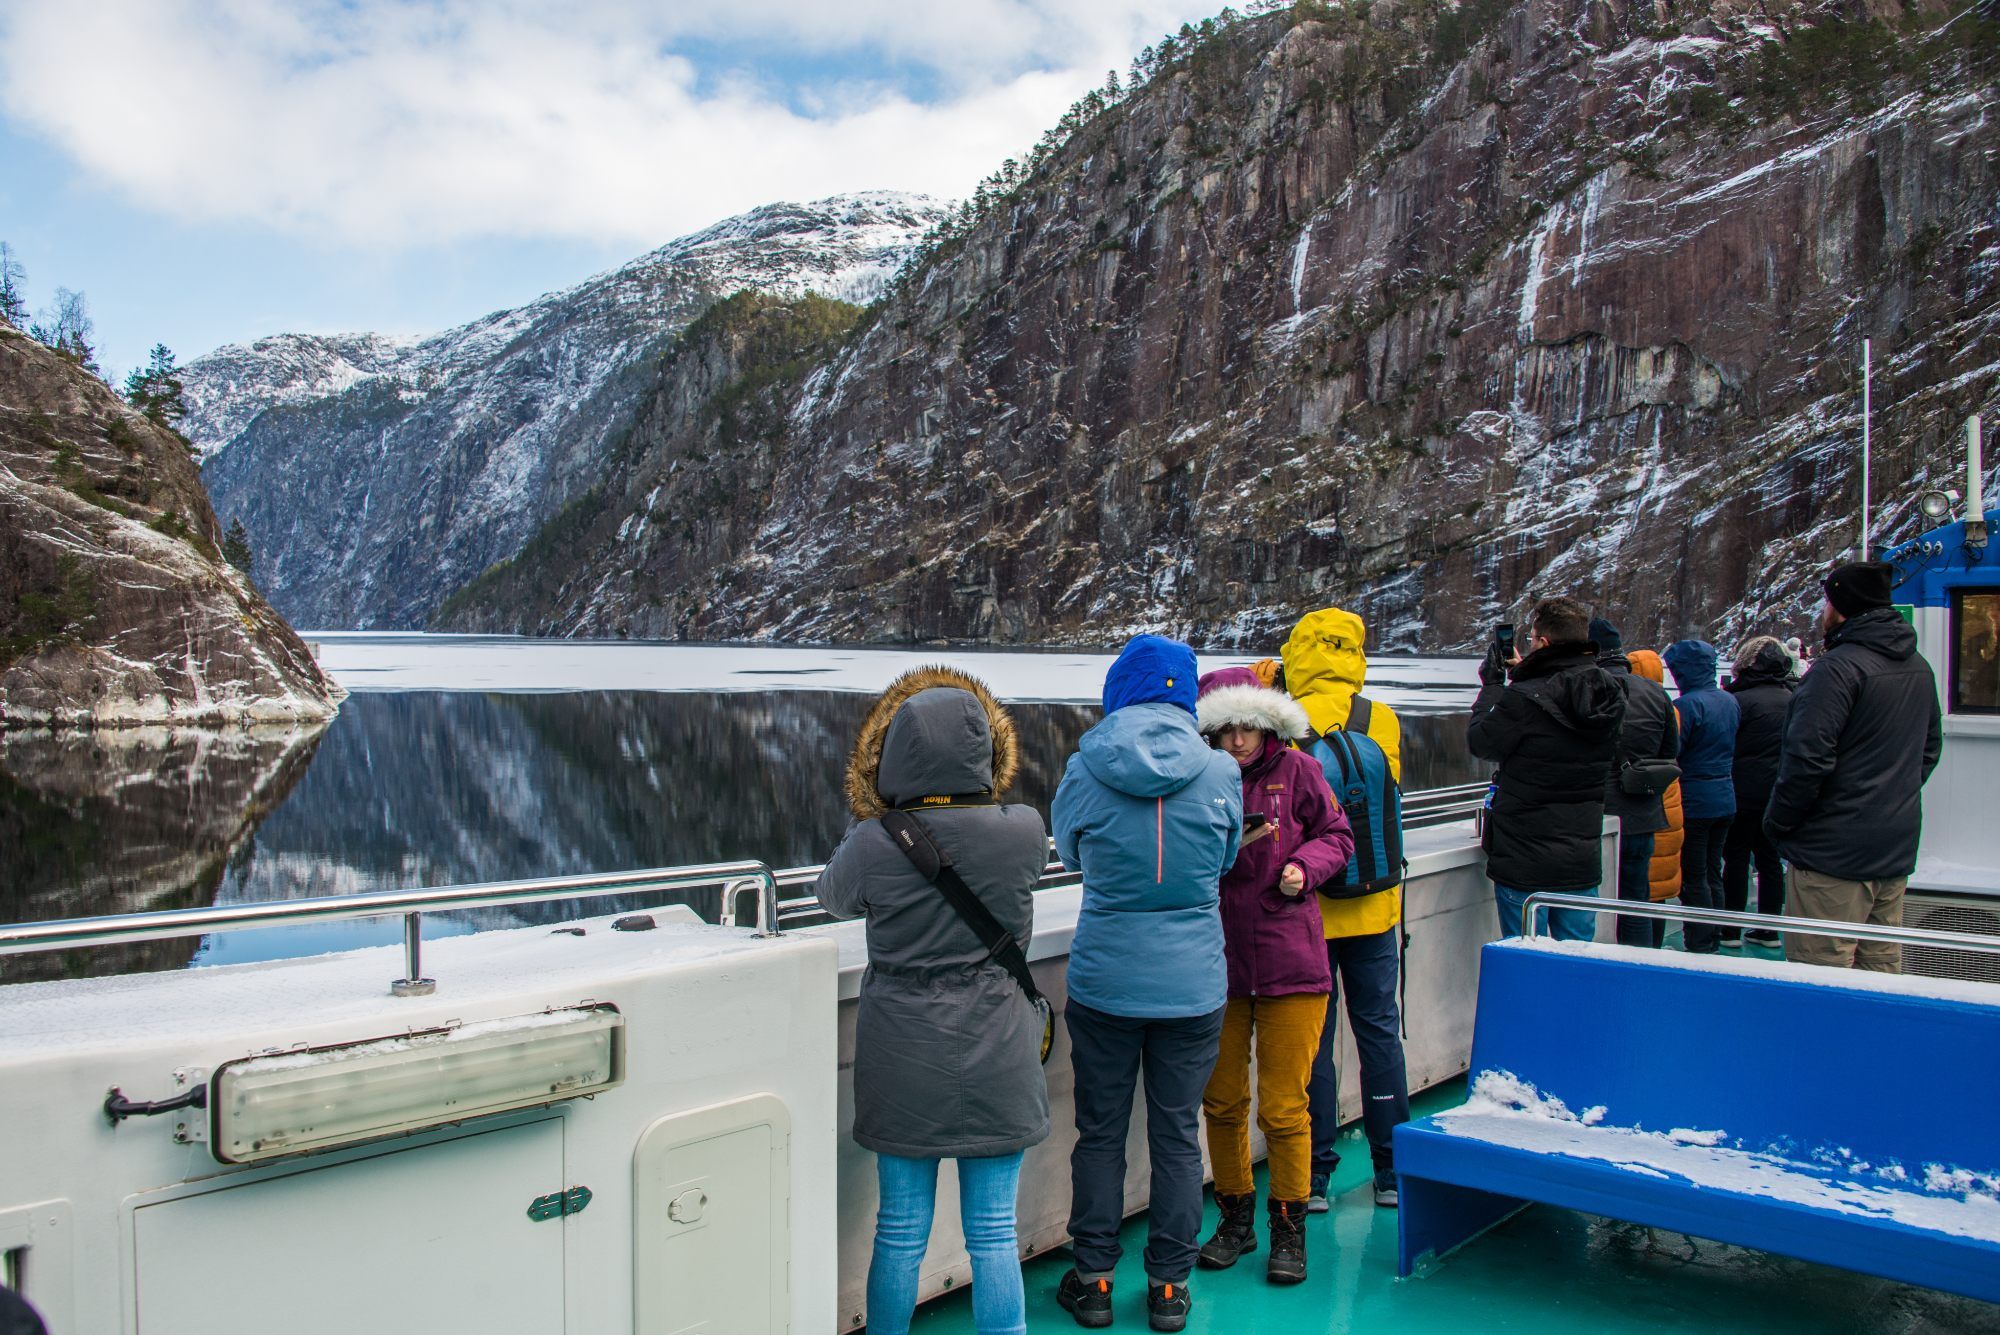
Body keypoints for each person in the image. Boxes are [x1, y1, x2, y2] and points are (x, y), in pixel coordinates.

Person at [816, 667, 1052, 1335]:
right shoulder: (1025, 830)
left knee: (899, 1230)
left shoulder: (874, 841)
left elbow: (832, 896)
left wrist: (877, 812)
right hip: (1000, 1054)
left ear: (893, 755)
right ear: (987, 750)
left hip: (904, 1059)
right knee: (993, 1231)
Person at [1051, 635, 1242, 1333]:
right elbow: (1223, 858)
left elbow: (1070, 848)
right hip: (1193, 983)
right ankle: (1168, 1287)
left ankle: (1095, 1278)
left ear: (1119, 690)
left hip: (1106, 979)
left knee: (1100, 1133)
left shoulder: (1084, 767)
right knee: (1176, 1135)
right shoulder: (1222, 770)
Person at [1191, 667, 1354, 1286]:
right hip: (1221, 962)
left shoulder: (1301, 771)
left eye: (1248, 728)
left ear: (1268, 724)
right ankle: (1236, 1219)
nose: (1237, 741)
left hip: (1292, 962)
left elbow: (1337, 835)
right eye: (1225, 729)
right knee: (1223, 1101)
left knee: (1285, 1108)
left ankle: (1289, 1229)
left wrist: (1303, 867)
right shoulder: (1201, 775)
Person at [1282, 607, 1412, 1212]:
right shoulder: (1378, 717)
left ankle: (1313, 1177)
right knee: (1380, 1033)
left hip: (1309, 906)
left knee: (1316, 1041)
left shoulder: (1286, 718)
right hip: (1377, 903)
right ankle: (1391, 1172)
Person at [1766, 562, 1943, 971]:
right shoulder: (1917, 666)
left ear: (1842, 605)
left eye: (1827, 600)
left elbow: (1806, 759)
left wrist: (1779, 824)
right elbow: (1929, 749)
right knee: (1879, 972)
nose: (1822, 610)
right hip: (1893, 846)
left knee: (1822, 975)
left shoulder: (1837, 671)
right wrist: (1890, 798)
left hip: (1833, 855)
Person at [1467, 596, 1625, 940]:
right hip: (1580, 857)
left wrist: (1494, 687)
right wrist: (1523, 673)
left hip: (1524, 859)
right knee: (1576, 965)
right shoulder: (1609, 691)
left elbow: (1482, 742)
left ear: (1545, 642)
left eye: (1533, 638)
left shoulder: (1523, 697)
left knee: (1526, 962)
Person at [1591, 618, 1679, 950]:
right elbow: (1670, 751)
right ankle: (1640, 966)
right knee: (1636, 900)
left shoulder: (1586, 689)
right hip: (1643, 812)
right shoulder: (1656, 693)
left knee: (1592, 904)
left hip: (1597, 815)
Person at [1663, 640, 1740, 953]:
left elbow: (1673, 751)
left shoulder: (1687, 706)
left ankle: (1699, 939)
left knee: (1693, 875)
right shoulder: (1729, 701)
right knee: (1712, 871)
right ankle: (1714, 933)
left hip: (1695, 800)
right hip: (1725, 796)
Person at [1723, 636, 1795, 945]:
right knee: (1770, 860)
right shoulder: (1794, 698)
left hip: (1741, 789)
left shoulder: (1738, 700)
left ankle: (1730, 929)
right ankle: (1769, 928)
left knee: (1736, 857)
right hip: (1778, 791)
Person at [1630, 649, 1683, 949]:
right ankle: (1656, 947)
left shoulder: (1632, 707)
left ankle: (1642, 953)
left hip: (1645, 808)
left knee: (1640, 891)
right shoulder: (1668, 707)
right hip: (1669, 806)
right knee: (1658, 890)